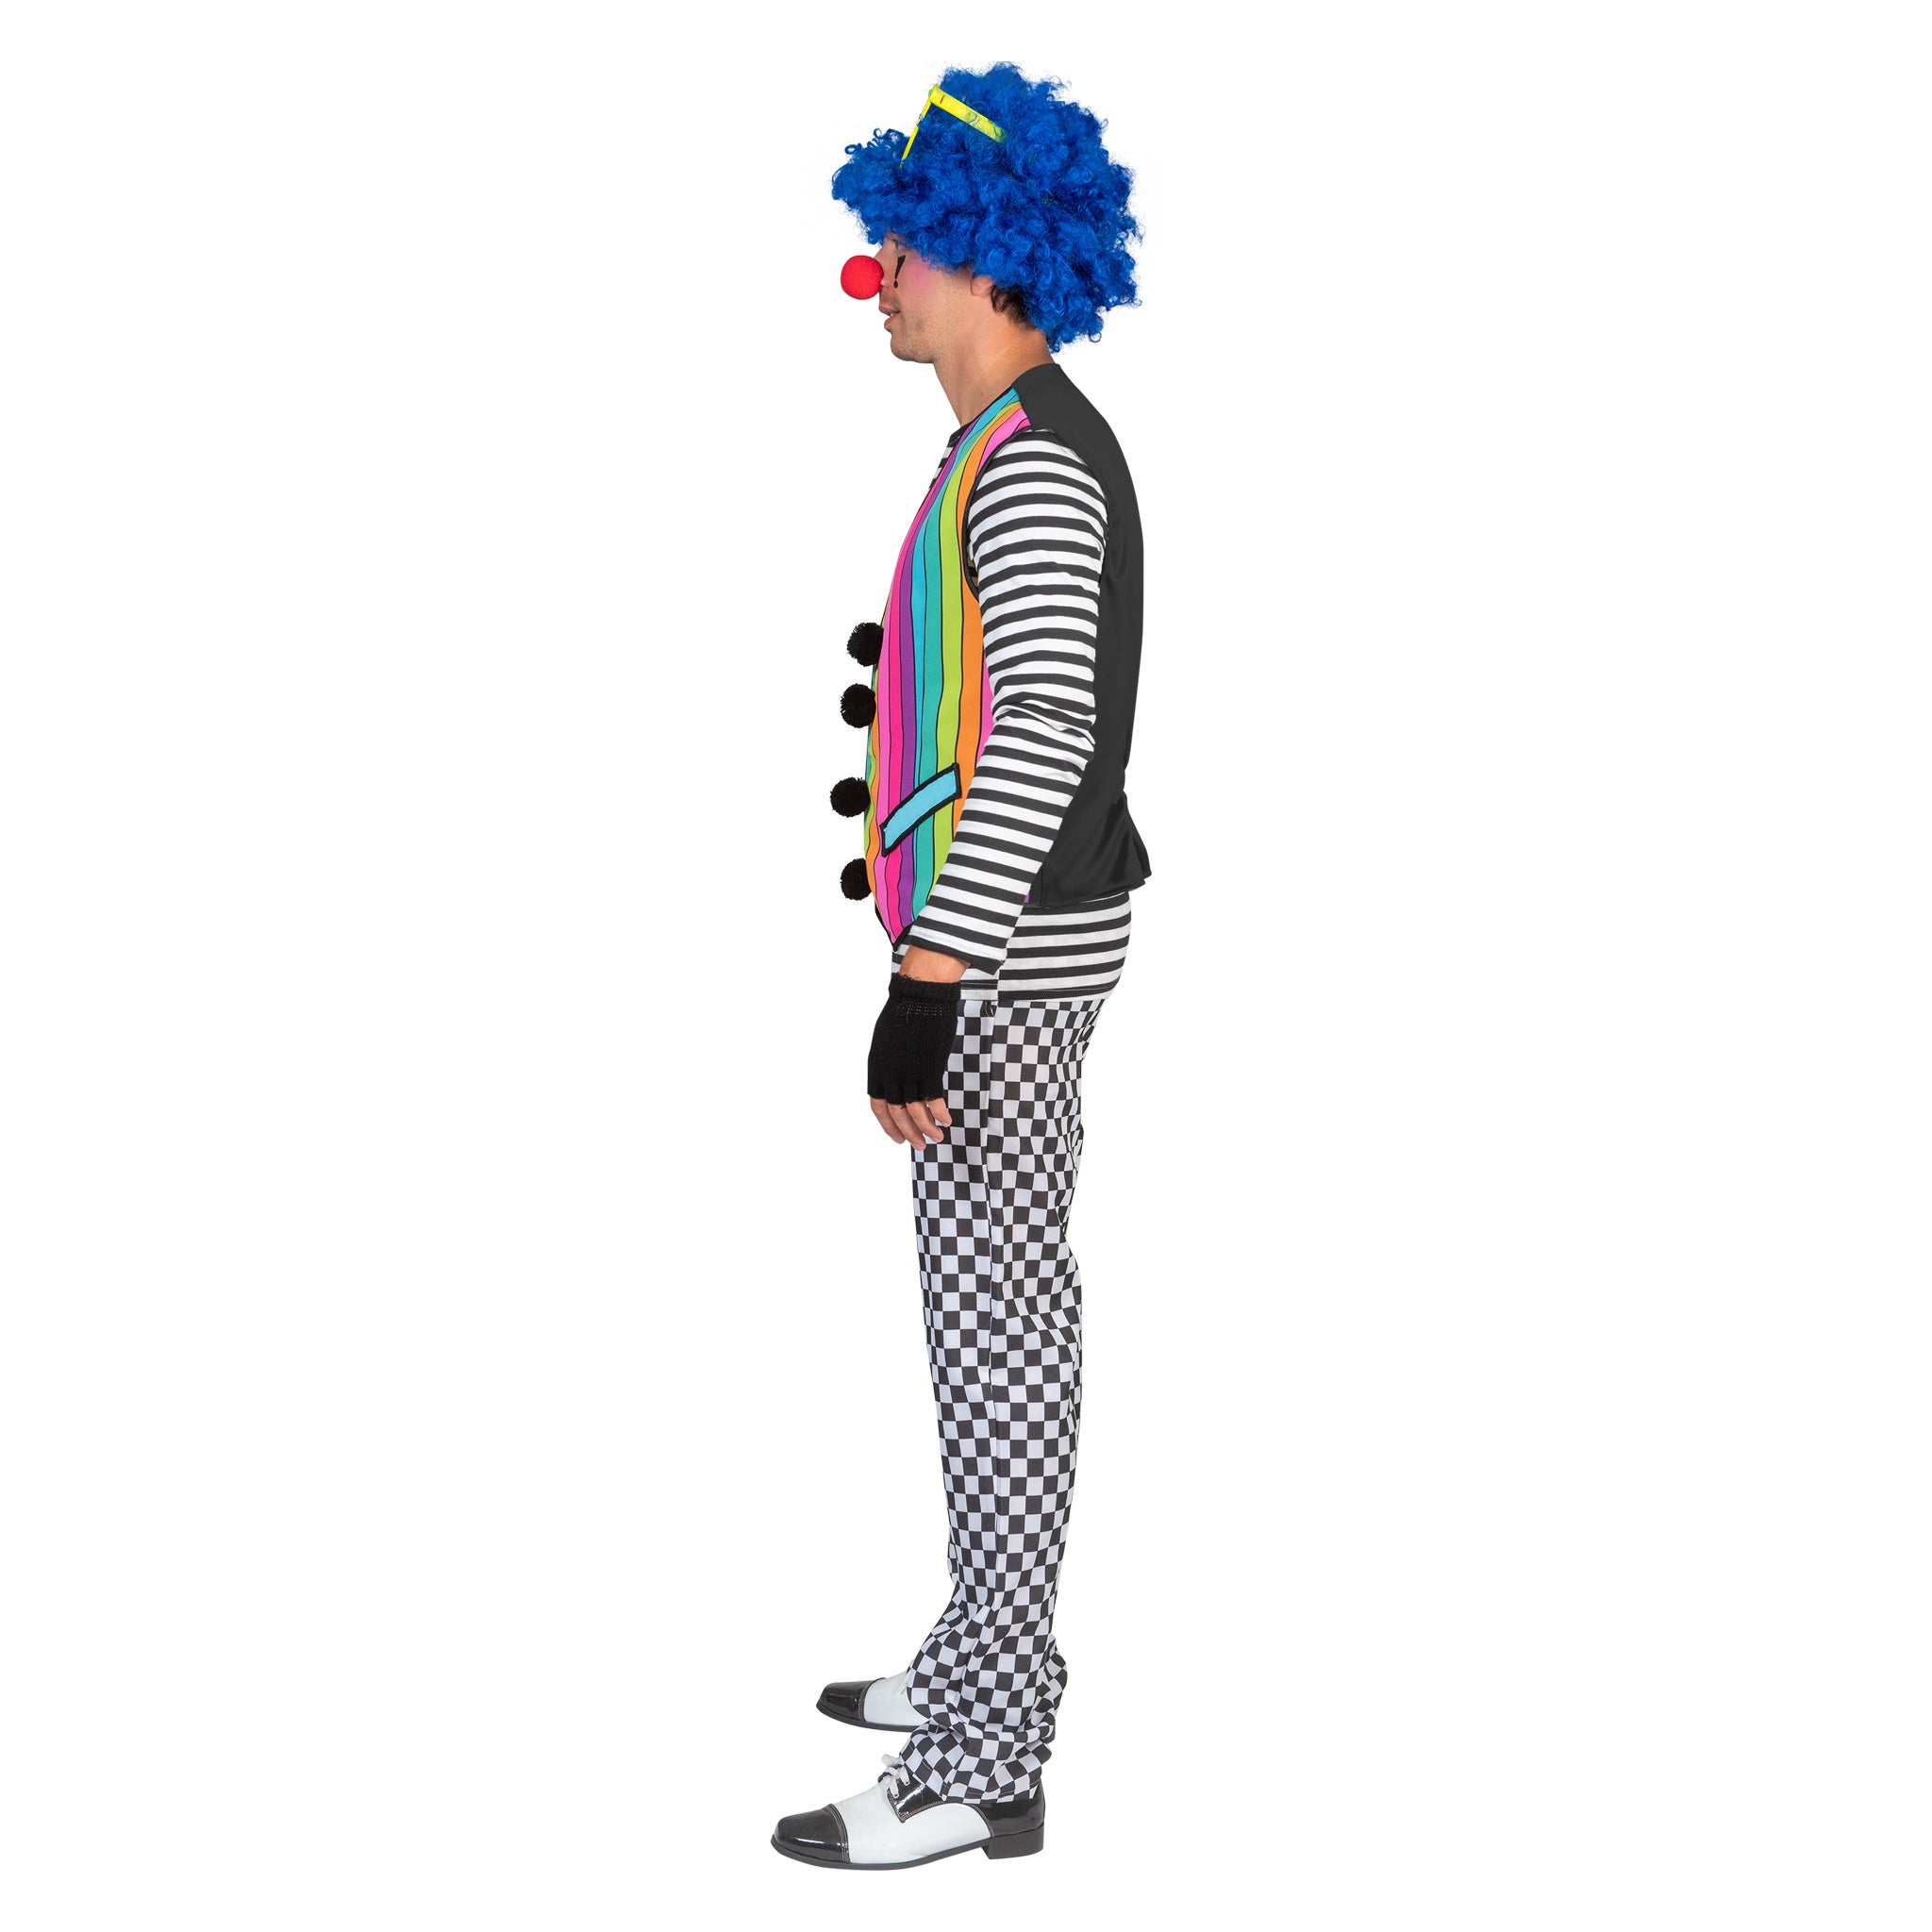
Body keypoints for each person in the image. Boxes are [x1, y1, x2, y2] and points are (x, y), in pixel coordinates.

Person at [771, 61, 1153, 1872]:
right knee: (988, 1320)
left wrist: (929, 983)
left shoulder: (1039, 466)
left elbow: (1044, 736)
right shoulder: (1001, 441)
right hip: (1001, 954)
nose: (880, 279)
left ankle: (990, 1752)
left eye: (904, 248)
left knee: (999, 1335)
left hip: (998, 967)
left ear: (990, 255)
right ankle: (981, 1653)